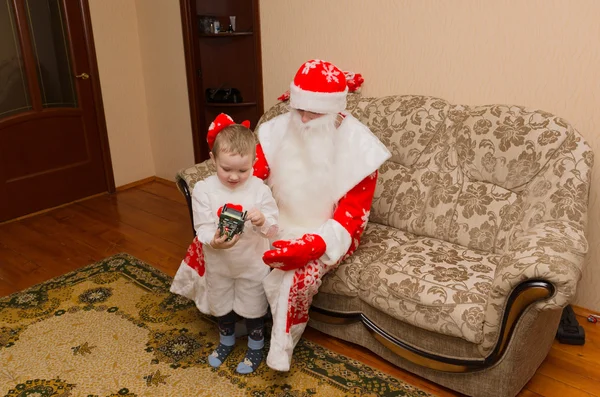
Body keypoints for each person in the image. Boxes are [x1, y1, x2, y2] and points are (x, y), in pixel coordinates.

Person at [253, 59, 391, 371]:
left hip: (327, 231)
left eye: (312, 113)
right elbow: (253, 176)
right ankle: (227, 315)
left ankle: (282, 343)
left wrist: (313, 244)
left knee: (295, 276)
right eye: (298, 109)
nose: (302, 119)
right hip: (276, 220)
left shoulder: (361, 148)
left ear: (333, 111)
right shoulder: (277, 130)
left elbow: (353, 218)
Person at [170, 113, 279, 374]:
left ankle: (255, 346)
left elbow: (274, 228)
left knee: (254, 309)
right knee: (221, 305)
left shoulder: (260, 190)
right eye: (226, 169)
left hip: (252, 264)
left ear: (253, 162)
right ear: (213, 160)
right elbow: (202, 228)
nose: (233, 177)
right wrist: (215, 241)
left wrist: (263, 219)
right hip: (218, 263)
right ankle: (226, 341)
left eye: (242, 170)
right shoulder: (204, 190)